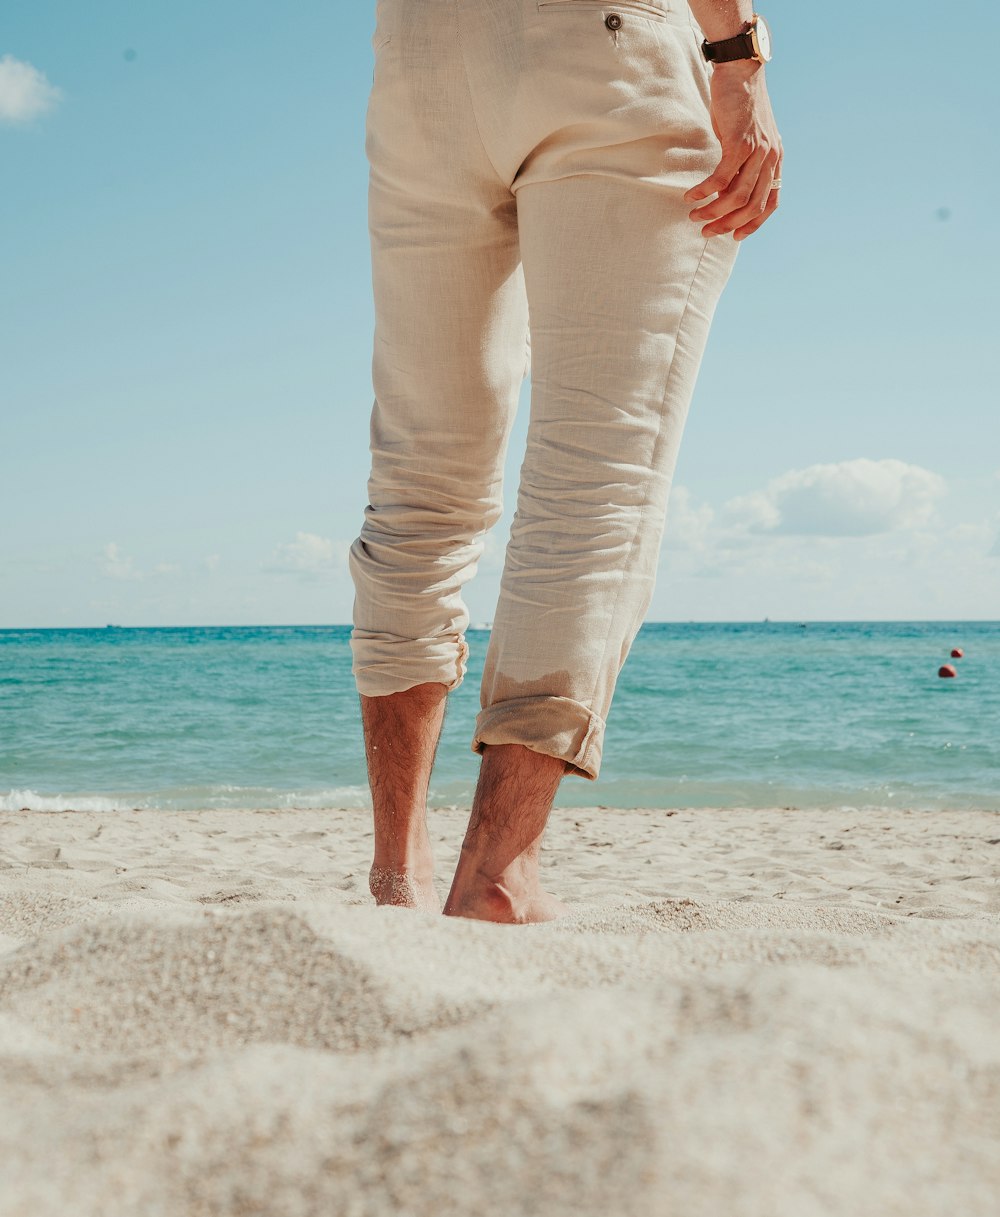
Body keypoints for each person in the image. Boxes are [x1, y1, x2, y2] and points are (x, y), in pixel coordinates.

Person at [349, 0, 782, 922]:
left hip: (419, 57)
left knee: (420, 479)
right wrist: (739, 60)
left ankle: (399, 876)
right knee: (596, 471)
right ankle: (495, 874)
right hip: (602, 38)